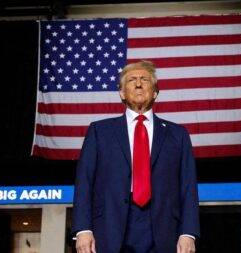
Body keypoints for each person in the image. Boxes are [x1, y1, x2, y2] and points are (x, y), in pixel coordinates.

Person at [71, 60, 200, 253]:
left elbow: (188, 186)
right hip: (109, 226)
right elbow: (84, 182)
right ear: (122, 93)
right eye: (132, 80)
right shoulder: (99, 131)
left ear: (155, 91)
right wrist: (83, 229)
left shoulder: (178, 134)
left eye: (145, 79)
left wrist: (188, 232)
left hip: (163, 228)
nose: (138, 83)